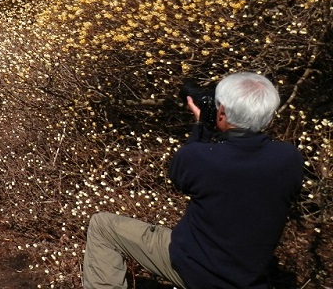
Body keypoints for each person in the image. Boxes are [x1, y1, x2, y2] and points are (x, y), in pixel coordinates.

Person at [82, 71, 304, 289]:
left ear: (222, 112)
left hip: (196, 268)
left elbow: (180, 175)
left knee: (103, 226)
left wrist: (201, 128)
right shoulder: (290, 159)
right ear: (269, 115)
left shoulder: (201, 158)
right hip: (249, 279)